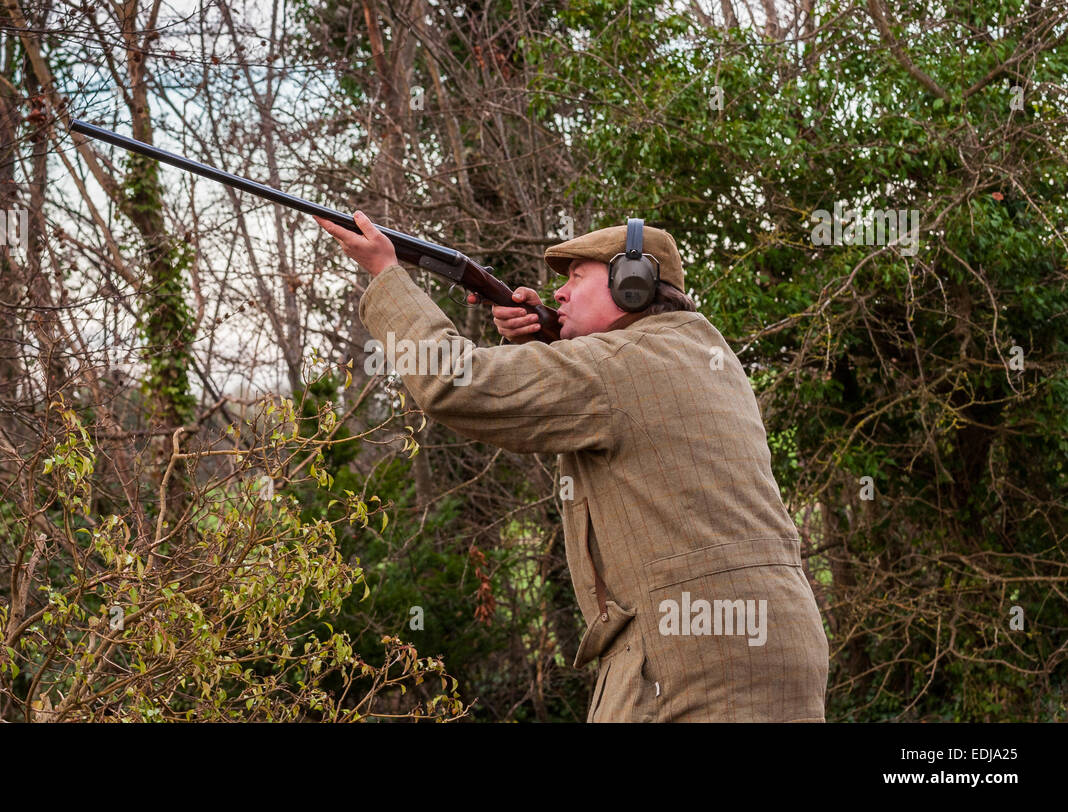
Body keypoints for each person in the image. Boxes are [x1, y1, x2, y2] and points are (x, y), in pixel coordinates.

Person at [315, 210, 829, 722]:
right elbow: (621, 416)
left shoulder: (615, 364)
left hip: (691, 658)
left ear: (632, 285)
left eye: (577, 278)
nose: (558, 294)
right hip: (771, 642)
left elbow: (450, 381)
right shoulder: (700, 350)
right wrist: (548, 344)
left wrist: (386, 275)